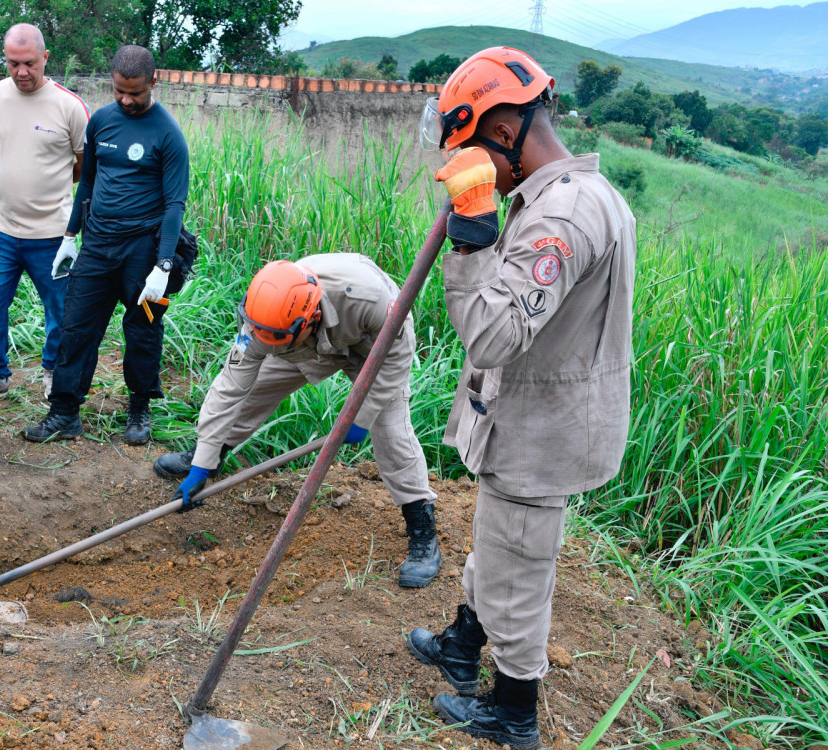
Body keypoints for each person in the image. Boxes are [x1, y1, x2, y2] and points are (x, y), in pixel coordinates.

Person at [405, 47, 636, 750]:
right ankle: (461, 643)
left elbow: (496, 338)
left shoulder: (560, 218)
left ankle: (512, 714)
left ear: (504, 132)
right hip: (528, 419)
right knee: (497, 550)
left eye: (472, 147)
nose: (471, 166)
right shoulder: (555, 199)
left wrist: (472, 246)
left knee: (519, 573)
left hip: (543, 433)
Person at [155, 254, 442, 588]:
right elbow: (229, 388)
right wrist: (203, 461)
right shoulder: (265, 316)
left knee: (391, 430)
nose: (261, 341)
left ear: (311, 317)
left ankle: (422, 525)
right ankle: (209, 458)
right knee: (253, 391)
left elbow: (396, 360)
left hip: (369, 344)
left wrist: (362, 418)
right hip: (299, 344)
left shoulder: (373, 301)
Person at [22, 44, 189, 446]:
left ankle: (139, 407)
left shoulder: (168, 134)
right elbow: (89, 184)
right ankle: (64, 412)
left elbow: (174, 205)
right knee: (76, 327)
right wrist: (69, 236)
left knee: (144, 329)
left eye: (135, 93)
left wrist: (163, 265)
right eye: (119, 91)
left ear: (154, 81)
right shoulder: (100, 122)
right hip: (97, 245)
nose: (127, 100)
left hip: (143, 249)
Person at [0, 23, 89, 405]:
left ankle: (53, 373)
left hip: (53, 234)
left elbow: (83, 167)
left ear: (45, 58)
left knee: (60, 310)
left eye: (30, 63)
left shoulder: (70, 106)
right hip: (1, 229)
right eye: (13, 63)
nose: (21, 72)